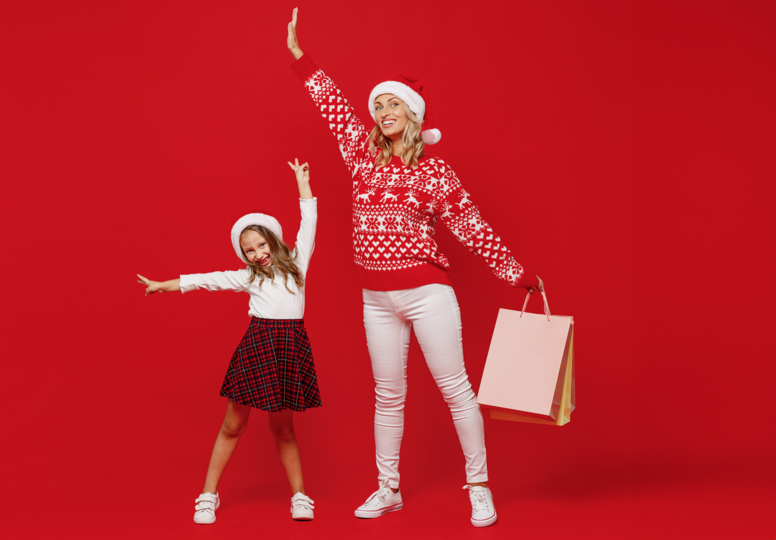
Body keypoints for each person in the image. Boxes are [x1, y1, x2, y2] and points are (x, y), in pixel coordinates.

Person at [284, 8, 544, 528]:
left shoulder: (434, 171)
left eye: (393, 102)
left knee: (456, 389)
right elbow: (332, 104)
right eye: (377, 103)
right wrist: (299, 57)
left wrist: (517, 273)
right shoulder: (360, 153)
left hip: (427, 293)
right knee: (388, 395)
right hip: (375, 297)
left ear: (413, 113)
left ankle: (479, 486)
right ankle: (388, 489)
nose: (382, 109)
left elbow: (472, 226)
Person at [137, 159, 321, 525]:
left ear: (273, 240)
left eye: (260, 244)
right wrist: (164, 284)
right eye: (249, 251)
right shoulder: (248, 278)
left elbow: (309, 222)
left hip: (289, 347)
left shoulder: (298, 264)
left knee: (283, 429)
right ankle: (208, 496)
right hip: (258, 346)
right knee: (233, 426)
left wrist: (302, 185)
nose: (257, 254)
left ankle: (300, 497)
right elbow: (208, 279)